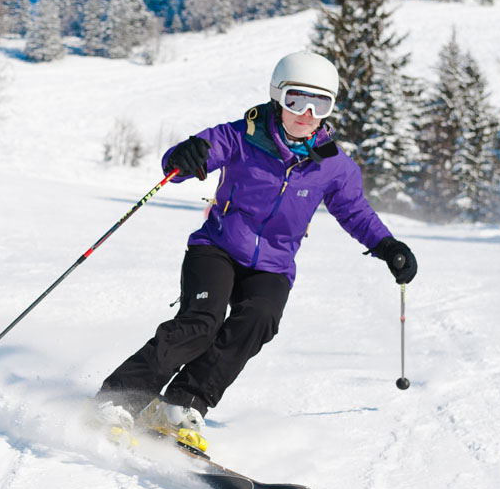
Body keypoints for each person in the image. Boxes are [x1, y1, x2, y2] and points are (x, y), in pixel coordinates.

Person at [94, 51, 418, 451]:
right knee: (201, 322)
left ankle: (183, 403)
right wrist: (184, 155)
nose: (307, 113)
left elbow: (354, 210)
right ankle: (120, 396)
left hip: (274, 264)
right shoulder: (240, 136)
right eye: (297, 100)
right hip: (217, 246)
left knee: (259, 319)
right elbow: (189, 158)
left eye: (321, 103)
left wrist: (387, 245)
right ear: (278, 96)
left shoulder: (333, 166)